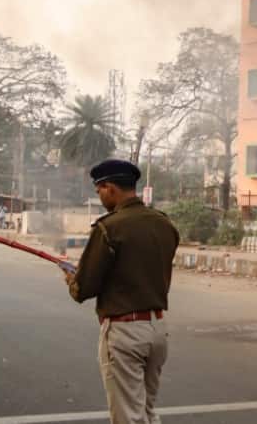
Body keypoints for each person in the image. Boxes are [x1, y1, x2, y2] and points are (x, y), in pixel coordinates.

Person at [66, 159, 180, 424]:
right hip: (157, 328)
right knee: (146, 412)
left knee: (128, 416)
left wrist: (73, 279)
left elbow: (84, 288)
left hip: (124, 332)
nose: (100, 196)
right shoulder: (164, 224)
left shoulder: (109, 227)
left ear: (110, 188)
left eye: (99, 190)